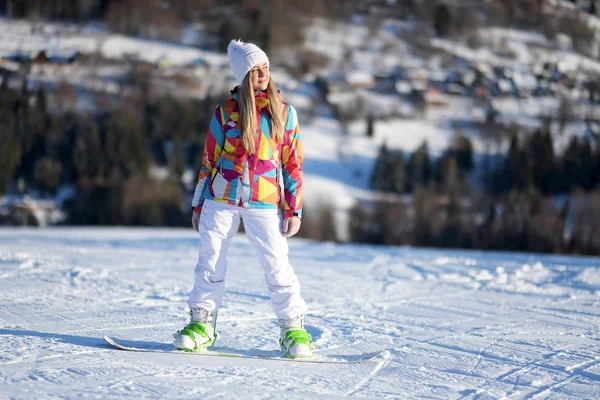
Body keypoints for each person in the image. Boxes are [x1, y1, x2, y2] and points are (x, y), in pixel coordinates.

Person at [173, 39, 312, 359]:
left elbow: (293, 163)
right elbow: (209, 159)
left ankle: (293, 328)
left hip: (265, 202)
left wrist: (294, 208)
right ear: (242, 74)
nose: (262, 73)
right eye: (254, 69)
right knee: (209, 263)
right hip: (220, 199)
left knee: (277, 266)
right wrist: (198, 203)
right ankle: (201, 325)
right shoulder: (225, 113)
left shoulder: (284, 113)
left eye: (265, 67)